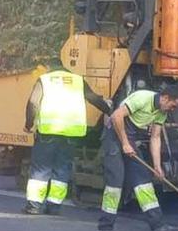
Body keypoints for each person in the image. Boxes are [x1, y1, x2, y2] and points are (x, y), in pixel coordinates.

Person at [96, 84, 178, 231]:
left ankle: (158, 226)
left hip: (128, 140)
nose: (172, 110)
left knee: (143, 180)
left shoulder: (161, 112)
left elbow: (155, 137)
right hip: (113, 138)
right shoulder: (142, 98)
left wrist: (157, 166)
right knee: (115, 182)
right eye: (172, 106)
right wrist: (124, 143)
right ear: (165, 98)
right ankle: (105, 228)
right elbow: (116, 116)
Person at [22, 69, 112, 215]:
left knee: (41, 169)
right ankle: (54, 206)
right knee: (62, 168)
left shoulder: (45, 79)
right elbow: (93, 98)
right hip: (71, 134)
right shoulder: (77, 80)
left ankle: (34, 205)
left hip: (48, 131)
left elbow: (33, 102)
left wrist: (28, 124)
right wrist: (109, 110)